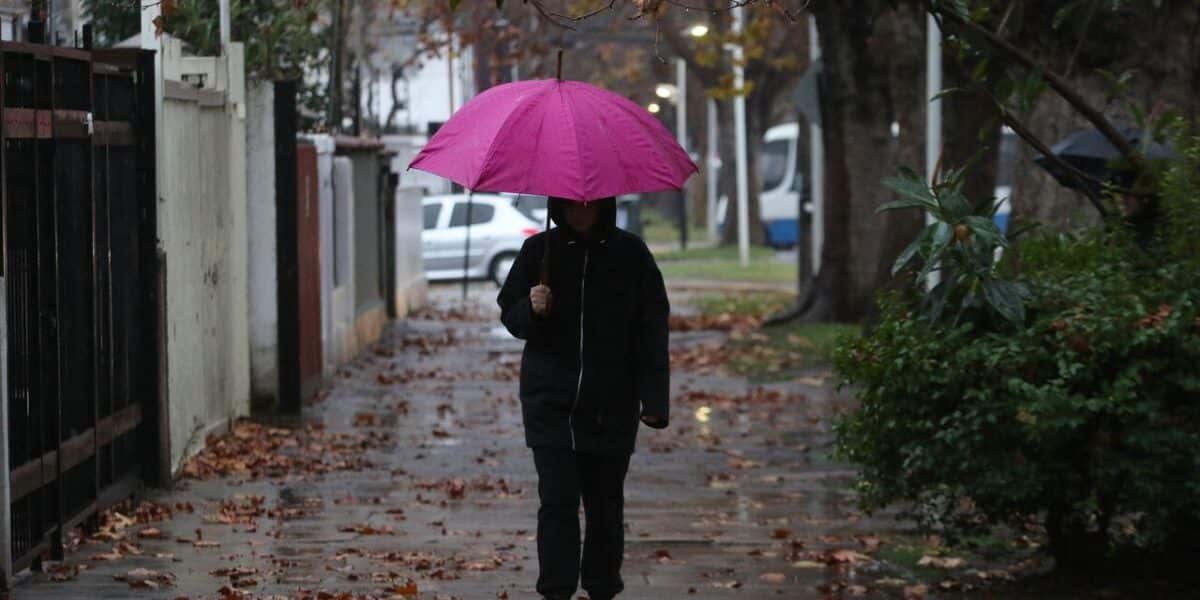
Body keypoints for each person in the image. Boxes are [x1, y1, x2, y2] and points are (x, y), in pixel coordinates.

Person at [497, 197, 670, 600]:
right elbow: (510, 315)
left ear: (604, 203)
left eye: (587, 204)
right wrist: (532, 309)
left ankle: (602, 587)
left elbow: (652, 328)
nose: (579, 213)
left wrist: (655, 398)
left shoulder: (631, 254)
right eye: (571, 205)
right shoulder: (538, 251)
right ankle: (556, 590)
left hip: (611, 404)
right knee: (556, 502)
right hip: (549, 403)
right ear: (558, 204)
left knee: (605, 506)